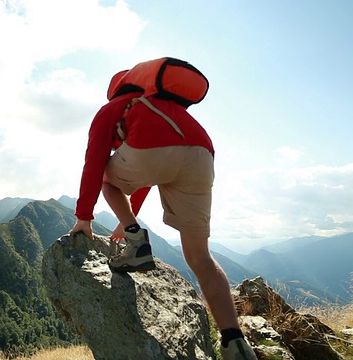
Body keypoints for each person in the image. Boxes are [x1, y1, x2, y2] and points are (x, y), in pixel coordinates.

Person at [68, 64, 258, 360]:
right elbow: (148, 178)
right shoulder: (164, 107)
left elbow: (94, 164)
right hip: (202, 155)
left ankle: (137, 244)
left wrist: (85, 217)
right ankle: (235, 343)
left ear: (116, 90)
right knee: (200, 257)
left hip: (153, 151)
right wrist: (125, 219)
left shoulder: (112, 109)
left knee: (107, 177)